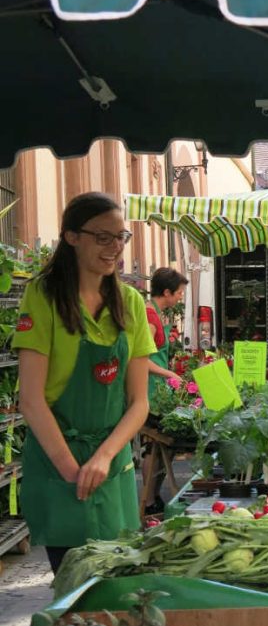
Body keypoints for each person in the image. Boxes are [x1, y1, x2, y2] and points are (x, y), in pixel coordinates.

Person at [13, 192, 155, 574]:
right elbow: (30, 399)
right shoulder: (43, 296)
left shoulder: (130, 303)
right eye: (103, 237)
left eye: (121, 237)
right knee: (74, 588)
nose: (114, 248)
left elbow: (139, 402)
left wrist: (105, 457)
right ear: (72, 237)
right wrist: (71, 470)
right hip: (59, 464)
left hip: (113, 466)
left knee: (116, 589)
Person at [142, 267, 189, 514]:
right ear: (167, 292)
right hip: (151, 393)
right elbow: (140, 359)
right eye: (179, 293)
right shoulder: (150, 317)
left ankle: (153, 497)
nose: (181, 297)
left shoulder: (156, 313)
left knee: (161, 448)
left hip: (158, 391)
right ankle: (149, 501)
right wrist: (169, 374)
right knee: (153, 445)